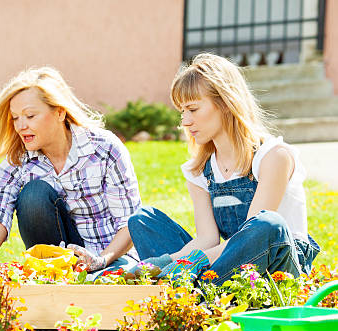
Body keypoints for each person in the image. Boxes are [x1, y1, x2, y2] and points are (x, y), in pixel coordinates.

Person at [127, 53, 320, 284]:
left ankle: (193, 294)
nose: (185, 122)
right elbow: (207, 239)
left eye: (193, 109)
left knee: (267, 224)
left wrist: (181, 265)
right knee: (143, 220)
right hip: (229, 269)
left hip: (277, 271)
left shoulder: (273, 157)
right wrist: (161, 263)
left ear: (226, 104)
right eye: (182, 112)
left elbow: (251, 237)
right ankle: (191, 291)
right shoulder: (199, 171)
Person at [0, 67, 142, 283]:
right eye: (15, 118)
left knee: (111, 281)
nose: (21, 126)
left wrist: (101, 260)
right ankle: (52, 279)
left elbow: (129, 223)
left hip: (110, 258)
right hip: (56, 263)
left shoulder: (104, 149)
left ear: (60, 112)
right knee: (34, 194)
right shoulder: (17, 161)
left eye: (30, 115)